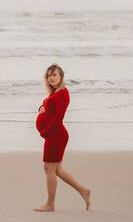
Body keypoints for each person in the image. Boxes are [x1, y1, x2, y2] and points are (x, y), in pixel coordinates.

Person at [34, 63, 91, 212]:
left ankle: (50, 204)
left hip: (56, 135)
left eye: (54, 75)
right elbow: (48, 110)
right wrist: (41, 109)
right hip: (53, 134)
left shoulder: (63, 94)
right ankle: (83, 191)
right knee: (56, 169)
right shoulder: (54, 93)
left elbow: (59, 117)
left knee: (49, 168)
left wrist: (45, 132)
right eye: (49, 75)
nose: (51, 78)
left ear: (61, 76)